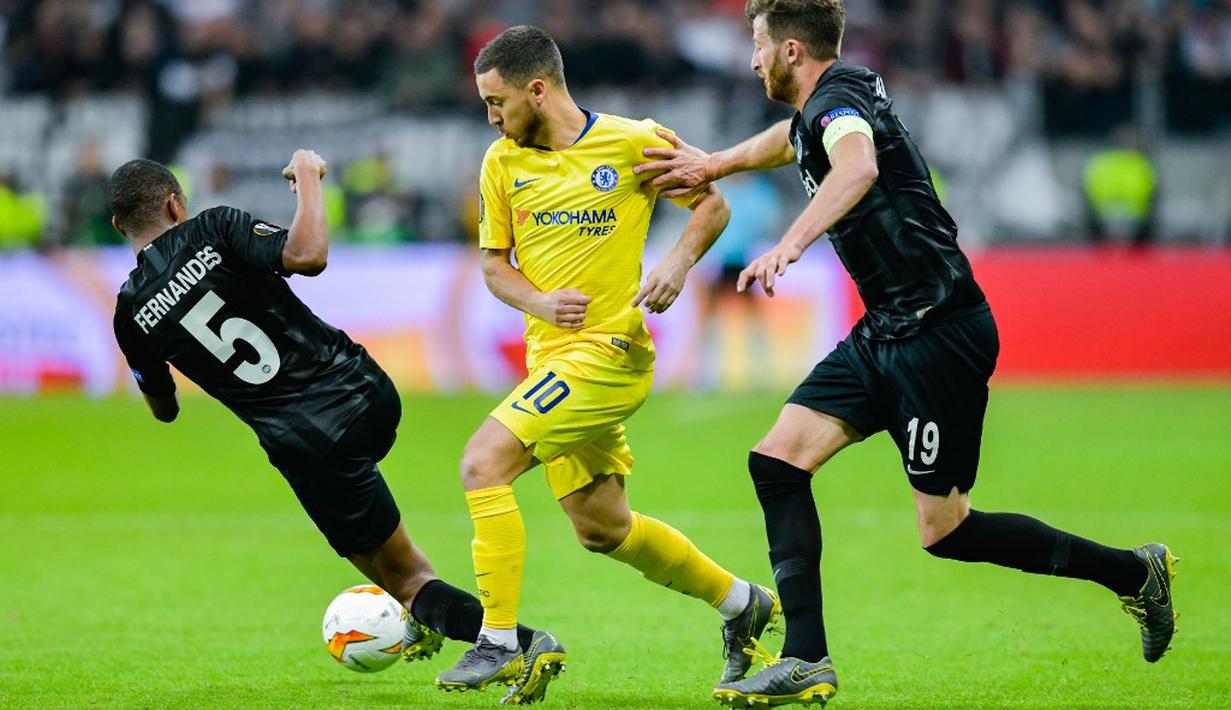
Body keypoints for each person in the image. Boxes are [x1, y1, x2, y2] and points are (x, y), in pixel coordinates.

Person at [635, 1, 1179, 706]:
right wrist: (716, 161)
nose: (751, 59)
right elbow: (791, 140)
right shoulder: (833, 99)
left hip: (939, 333)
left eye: (758, 44)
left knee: (945, 530)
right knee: (775, 461)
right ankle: (806, 658)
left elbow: (855, 167)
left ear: (792, 50)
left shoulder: (837, 107)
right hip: (887, 328)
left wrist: (791, 244)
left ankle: (1133, 574)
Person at [107, 153, 557, 702]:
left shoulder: (130, 312)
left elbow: (165, 408)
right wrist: (309, 179)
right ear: (175, 203)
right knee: (386, 554)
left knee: (405, 579)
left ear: (118, 226)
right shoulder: (215, 228)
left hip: (310, 441)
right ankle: (426, 615)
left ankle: (517, 642)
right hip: (368, 390)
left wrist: (311, 180)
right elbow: (304, 255)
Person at [436, 25, 780, 701]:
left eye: (497, 101)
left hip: (612, 352)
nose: (491, 116)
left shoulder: (633, 141)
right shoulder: (500, 163)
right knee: (603, 527)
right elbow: (492, 267)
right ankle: (742, 603)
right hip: (549, 363)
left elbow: (711, 202)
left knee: (482, 463)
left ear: (538, 89)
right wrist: (536, 298)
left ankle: (499, 642)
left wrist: (677, 264)